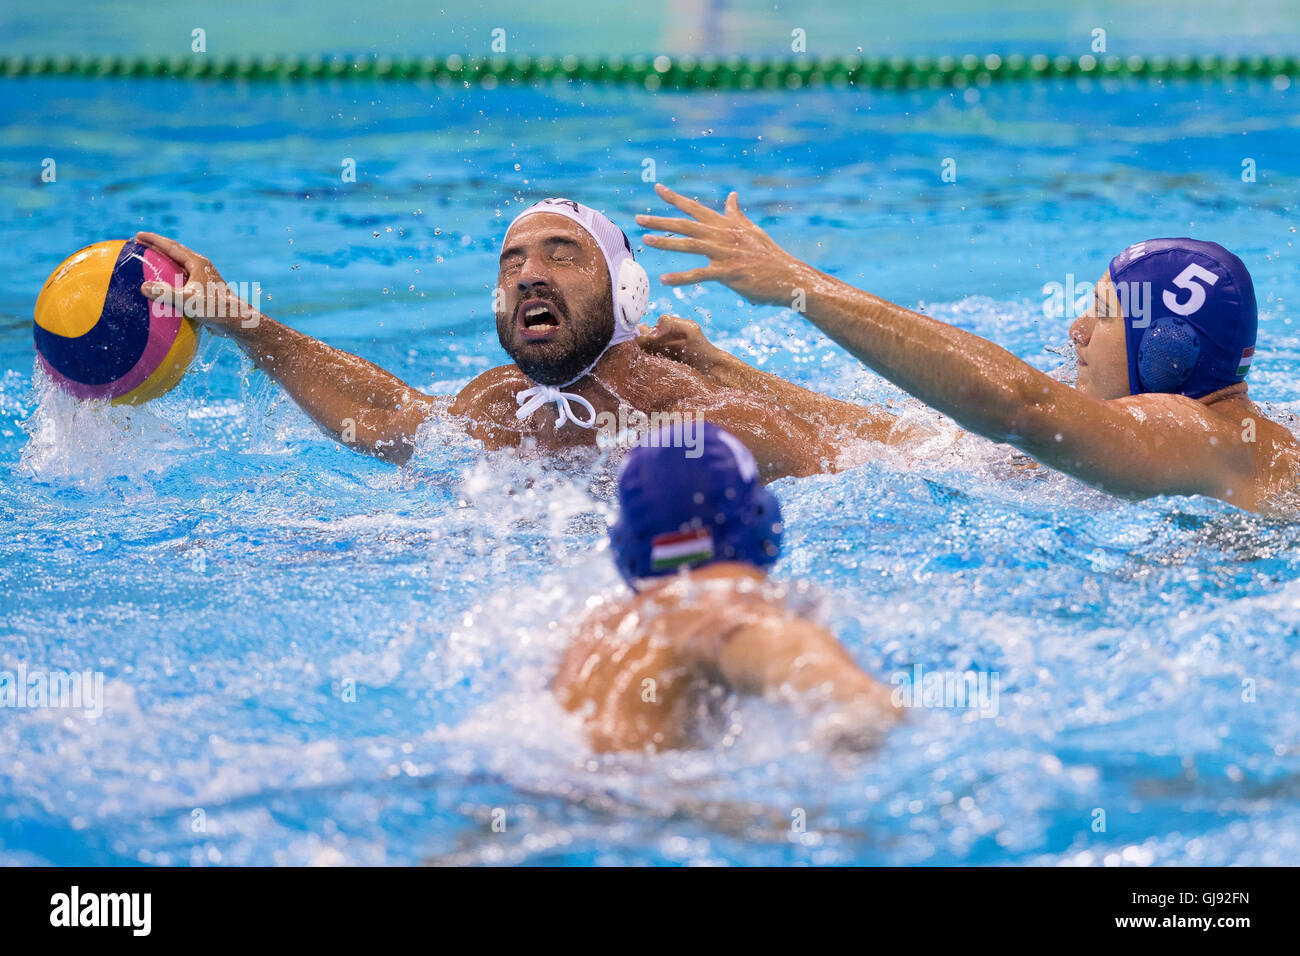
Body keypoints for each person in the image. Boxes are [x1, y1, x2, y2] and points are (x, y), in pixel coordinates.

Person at [134, 198, 915, 479]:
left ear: (628, 294)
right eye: (512, 263)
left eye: (561, 256)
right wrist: (242, 321)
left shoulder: (698, 421)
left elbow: (883, 463)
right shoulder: (499, 403)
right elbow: (383, 417)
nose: (528, 276)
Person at [637, 184, 1300, 512]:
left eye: (1101, 314)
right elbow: (906, 441)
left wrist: (799, 286)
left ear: (1167, 351)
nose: (1075, 331)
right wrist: (719, 369)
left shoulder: (1201, 435)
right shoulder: (1130, 435)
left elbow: (1016, 405)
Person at [552, 422, 898, 753]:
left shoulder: (594, 630)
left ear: (625, 544)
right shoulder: (719, 607)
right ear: (763, 520)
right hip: (644, 807)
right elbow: (840, 689)